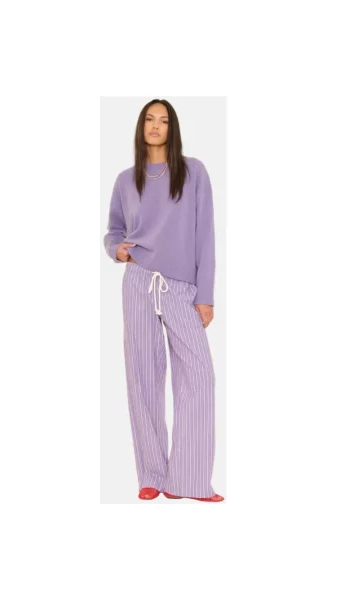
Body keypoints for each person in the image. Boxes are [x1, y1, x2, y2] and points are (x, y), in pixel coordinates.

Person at [103, 99, 224, 502]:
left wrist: (205, 295)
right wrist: (117, 249)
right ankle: (152, 475)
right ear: (141, 127)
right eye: (150, 119)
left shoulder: (193, 172)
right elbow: (114, 230)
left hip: (181, 288)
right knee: (143, 377)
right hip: (138, 282)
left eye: (164, 121)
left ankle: (188, 480)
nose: (156, 126)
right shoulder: (126, 180)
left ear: (173, 129)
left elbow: (205, 235)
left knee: (200, 377)